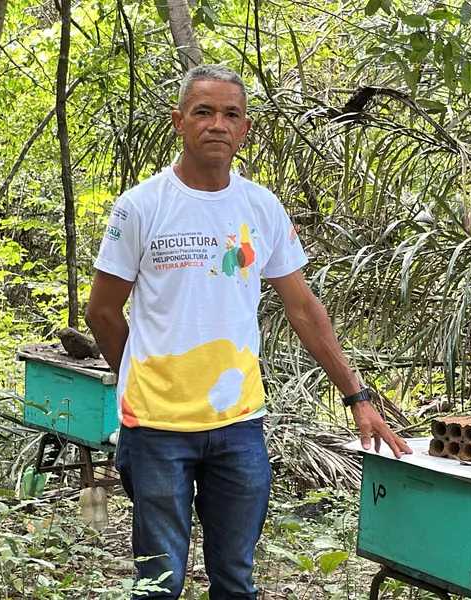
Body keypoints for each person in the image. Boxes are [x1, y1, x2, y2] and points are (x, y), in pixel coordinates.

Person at [85, 64, 412, 600]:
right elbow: (102, 312)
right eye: (203, 112)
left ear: (245, 128)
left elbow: (303, 308)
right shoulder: (141, 206)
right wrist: (140, 378)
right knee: (159, 582)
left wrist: (357, 396)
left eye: (230, 114)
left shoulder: (260, 206)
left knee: (236, 579)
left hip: (238, 426)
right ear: (179, 121)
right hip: (157, 427)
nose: (217, 124)